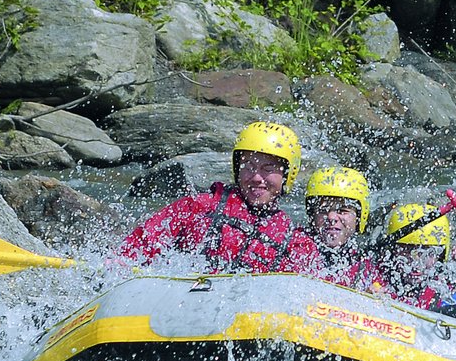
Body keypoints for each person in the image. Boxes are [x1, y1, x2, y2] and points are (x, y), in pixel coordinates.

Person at [119, 121, 321, 274]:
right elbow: (137, 246)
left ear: (287, 176)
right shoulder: (197, 207)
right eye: (248, 167)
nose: (256, 178)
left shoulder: (295, 242)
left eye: (268, 169)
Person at [303, 166, 387, 292]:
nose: (331, 217)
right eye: (323, 210)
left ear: (359, 218)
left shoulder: (365, 267)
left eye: (342, 210)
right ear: (312, 216)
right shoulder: (293, 247)